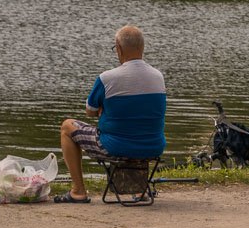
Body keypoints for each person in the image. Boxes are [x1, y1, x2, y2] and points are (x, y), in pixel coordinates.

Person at [55, 24, 166, 203]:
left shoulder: (107, 78)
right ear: (142, 48)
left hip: (115, 147)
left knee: (68, 126)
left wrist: (105, 108)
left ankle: (78, 191)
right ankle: (139, 190)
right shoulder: (158, 76)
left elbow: (90, 111)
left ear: (119, 49)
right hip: (153, 147)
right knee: (138, 126)